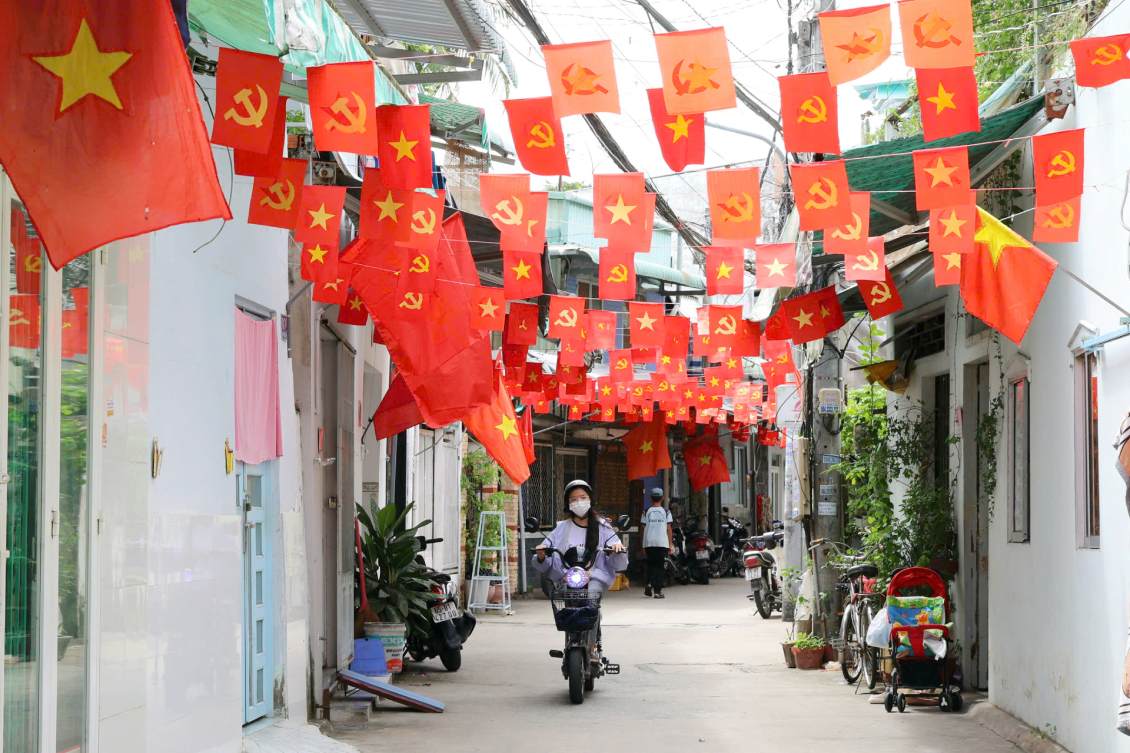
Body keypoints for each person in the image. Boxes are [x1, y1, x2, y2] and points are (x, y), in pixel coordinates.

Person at [532, 480, 627, 594]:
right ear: (568, 504)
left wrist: (616, 550)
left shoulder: (604, 527)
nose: (579, 502)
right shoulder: (561, 528)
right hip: (566, 578)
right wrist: (541, 555)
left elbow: (619, 563)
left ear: (590, 500)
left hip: (594, 578)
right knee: (562, 598)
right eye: (573, 499)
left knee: (591, 594)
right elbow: (544, 554)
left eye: (583, 498)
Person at [641, 487, 674, 598]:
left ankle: (649, 584)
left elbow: (643, 529)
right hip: (662, 543)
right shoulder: (666, 512)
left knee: (650, 565)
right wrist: (670, 544)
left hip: (649, 543)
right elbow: (669, 529)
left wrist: (643, 545)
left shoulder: (646, 511)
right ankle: (657, 592)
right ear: (662, 498)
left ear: (651, 498)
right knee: (659, 567)